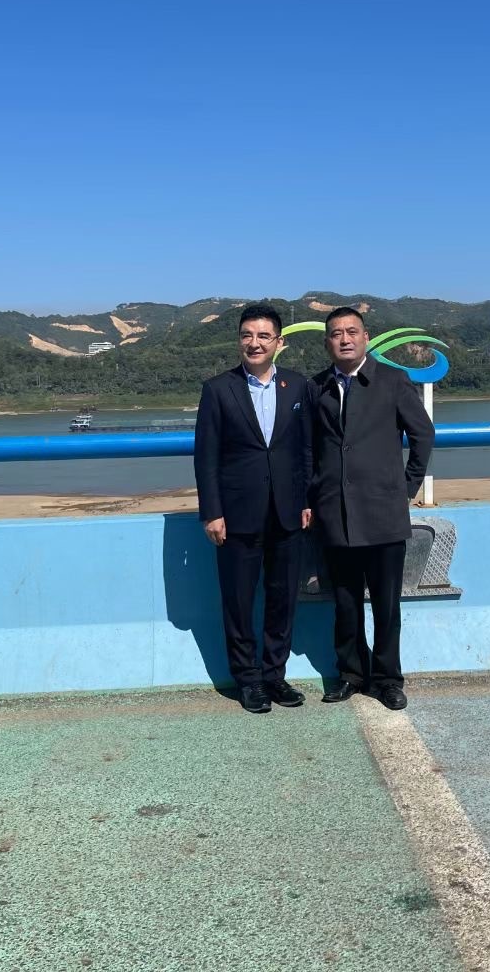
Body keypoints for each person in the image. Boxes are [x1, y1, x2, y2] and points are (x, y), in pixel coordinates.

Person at [309, 306, 434, 710]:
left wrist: (406, 487)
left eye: (352, 331)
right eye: (336, 333)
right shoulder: (317, 387)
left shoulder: (393, 380)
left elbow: (423, 435)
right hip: (335, 512)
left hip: (383, 514)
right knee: (345, 602)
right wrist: (313, 496)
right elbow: (309, 449)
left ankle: (387, 679)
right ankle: (350, 674)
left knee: (385, 604)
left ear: (365, 338)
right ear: (327, 342)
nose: (344, 339)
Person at [193, 304, 314, 713]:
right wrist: (212, 512)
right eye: (247, 335)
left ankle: (275, 676)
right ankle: (247, 680)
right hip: (236, 515)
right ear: (239, 340)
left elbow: (306, 450)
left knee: (283, 598)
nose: (255, 343)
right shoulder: (217, 389)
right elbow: (206, 457)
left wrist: (307, 500)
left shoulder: (298, 386)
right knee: (239, 601)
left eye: (264, 336)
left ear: (278, 342)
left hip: (287, 512)